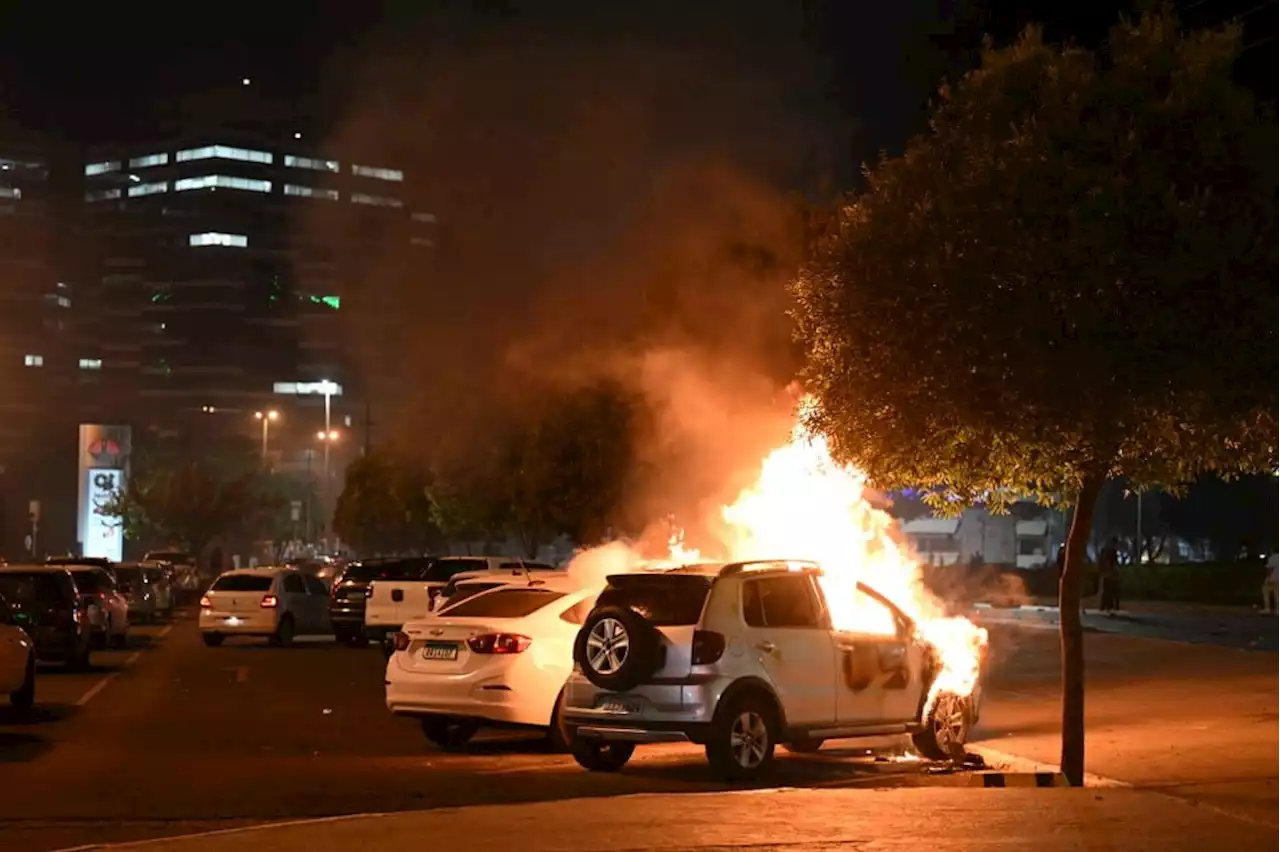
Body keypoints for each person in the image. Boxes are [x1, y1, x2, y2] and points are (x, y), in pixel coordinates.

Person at [1097, 538, 1121, 614]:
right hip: (1110, 572)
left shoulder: (1104, 550)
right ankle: (1109, 606)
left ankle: (1104, 606)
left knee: (1106, 590)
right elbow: (1114, 562)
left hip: (1106, 572)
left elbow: (1101, 561)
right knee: (1111, 590)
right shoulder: (1112, 551)